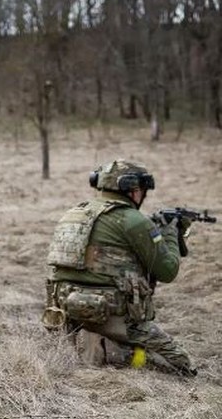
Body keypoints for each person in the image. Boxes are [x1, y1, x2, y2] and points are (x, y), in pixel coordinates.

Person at [42, 159, 196, 376]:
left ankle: (87, 344)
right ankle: (113, 353)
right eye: (142, 190)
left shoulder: (73, 213)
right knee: (180, 365)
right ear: (133, 190)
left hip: (65, 316)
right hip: (114, 319)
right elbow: (168, 271)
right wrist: (171, 233)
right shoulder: (133, 220)